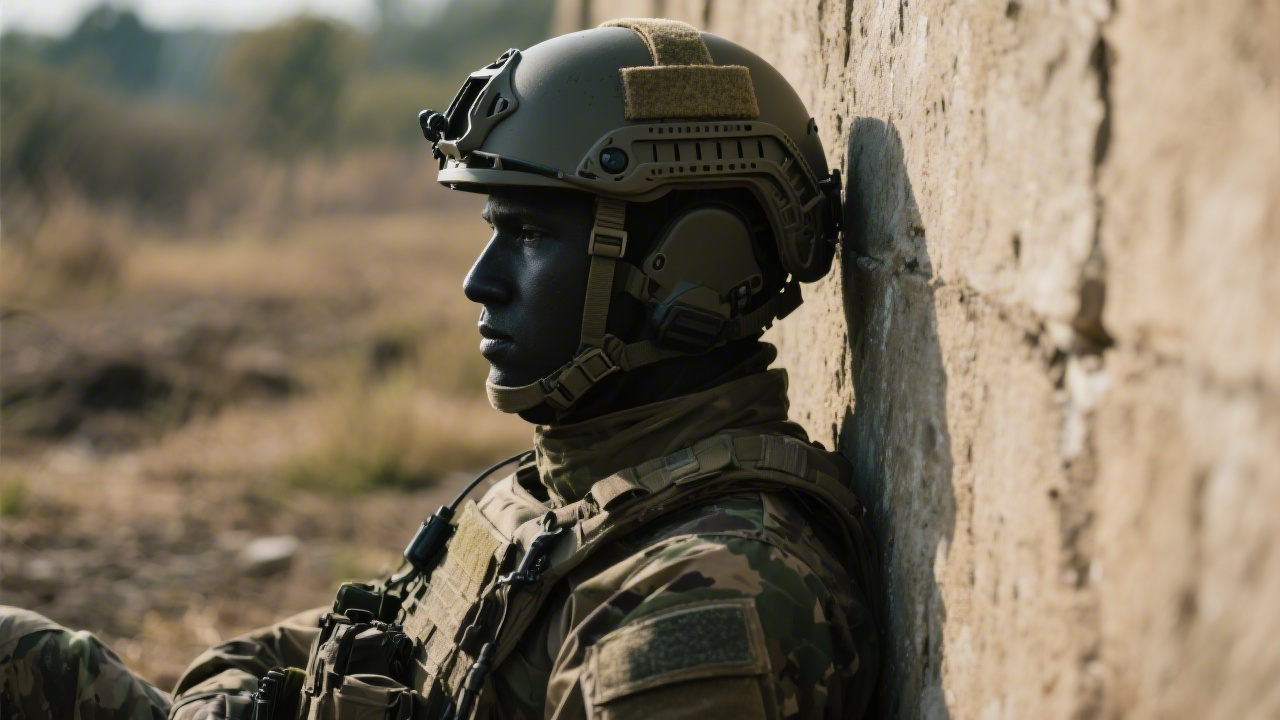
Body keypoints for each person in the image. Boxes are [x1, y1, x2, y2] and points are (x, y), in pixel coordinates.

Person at [2, 18, 878, 720]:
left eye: (529, 236)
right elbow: (318, 639)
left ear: (692, 267)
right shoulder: (564, 491)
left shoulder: (703, 598)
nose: (479, 282)